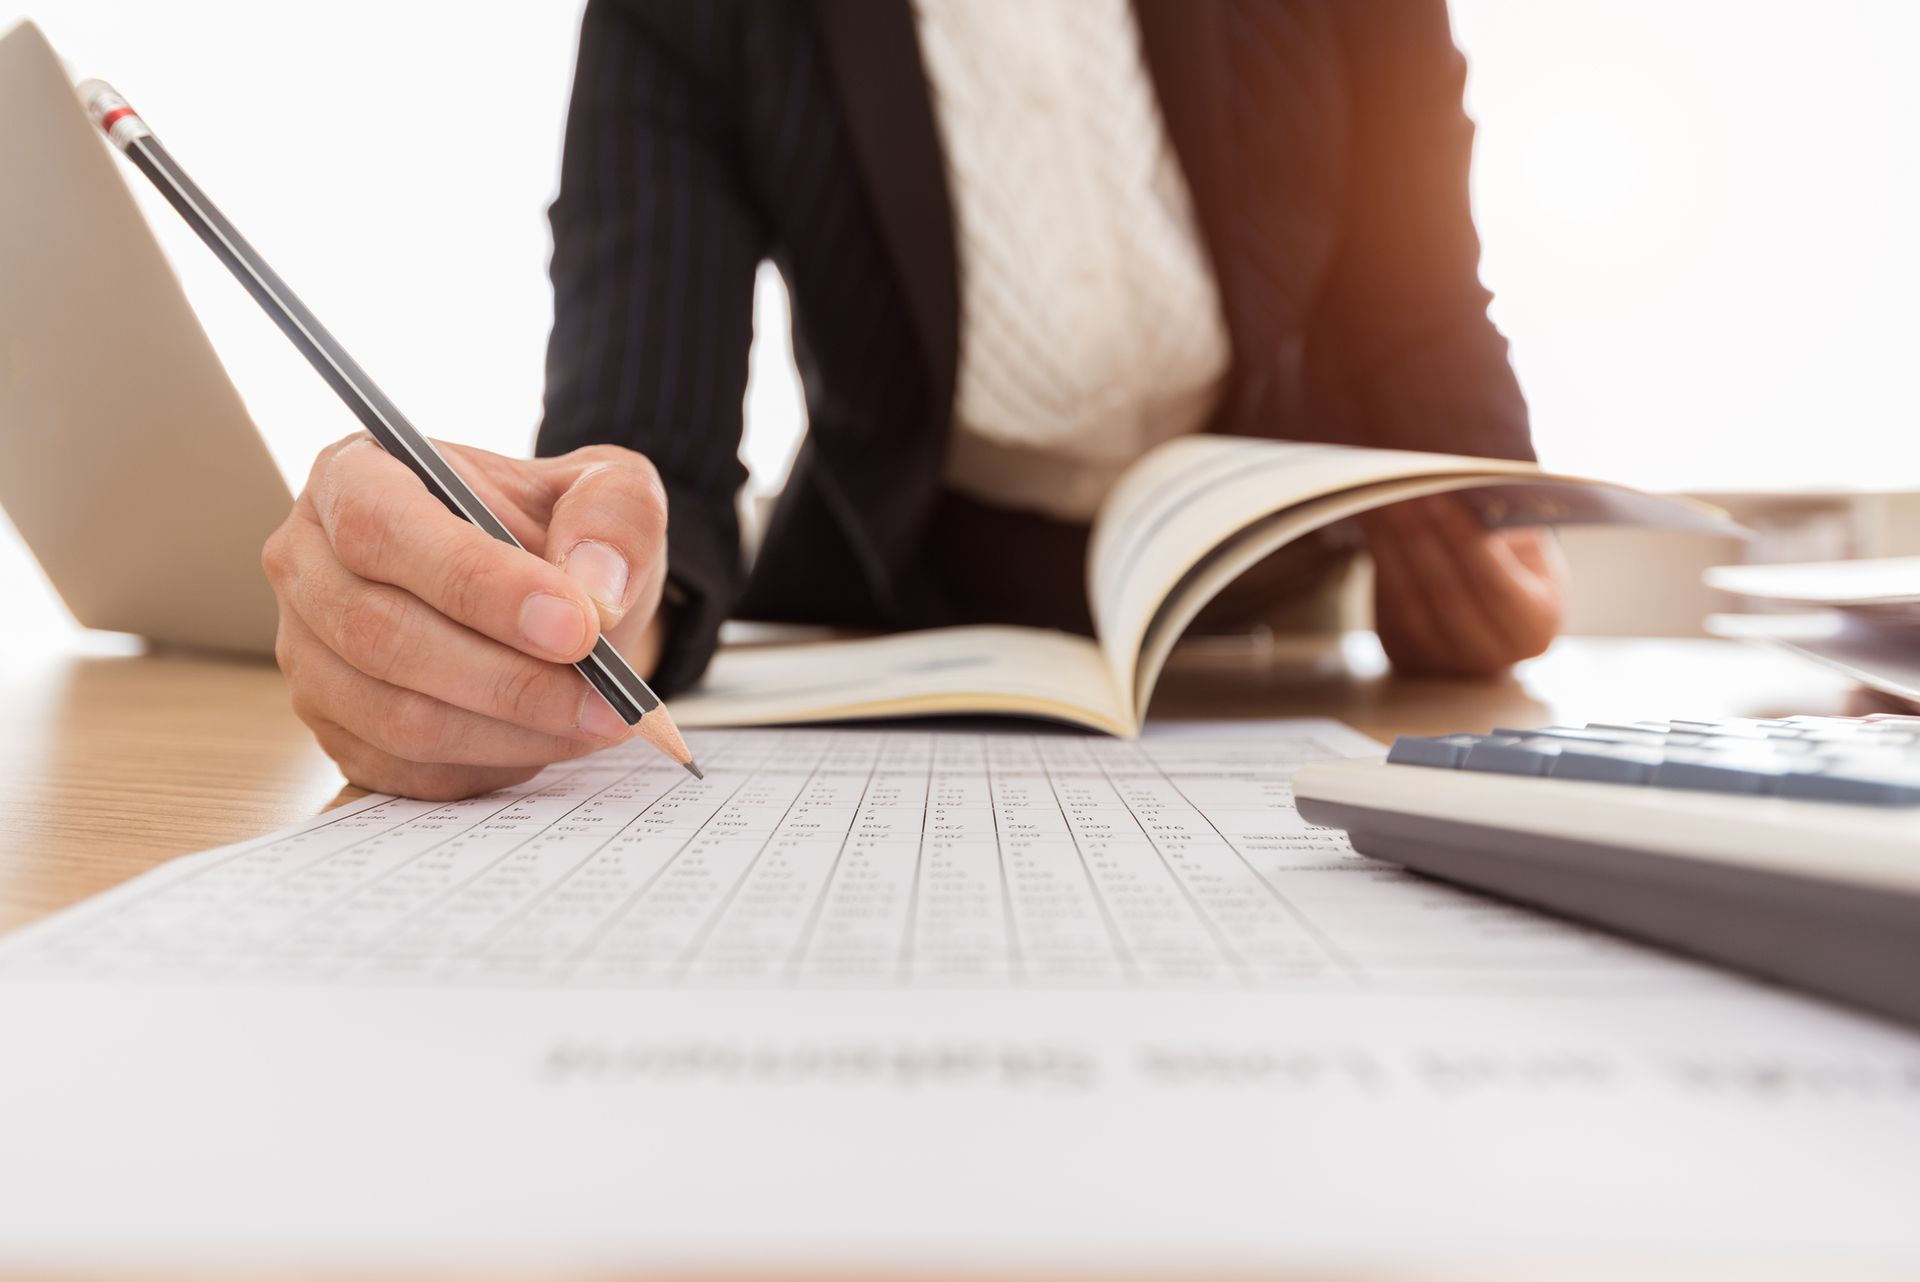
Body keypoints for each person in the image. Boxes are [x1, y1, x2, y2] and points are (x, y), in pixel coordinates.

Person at [261, 0, 1566, 801]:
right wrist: (570, 603)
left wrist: (1493, 525)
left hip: (1259, 625)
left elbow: (1416, 301)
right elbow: (645, 452)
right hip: (902, 625)